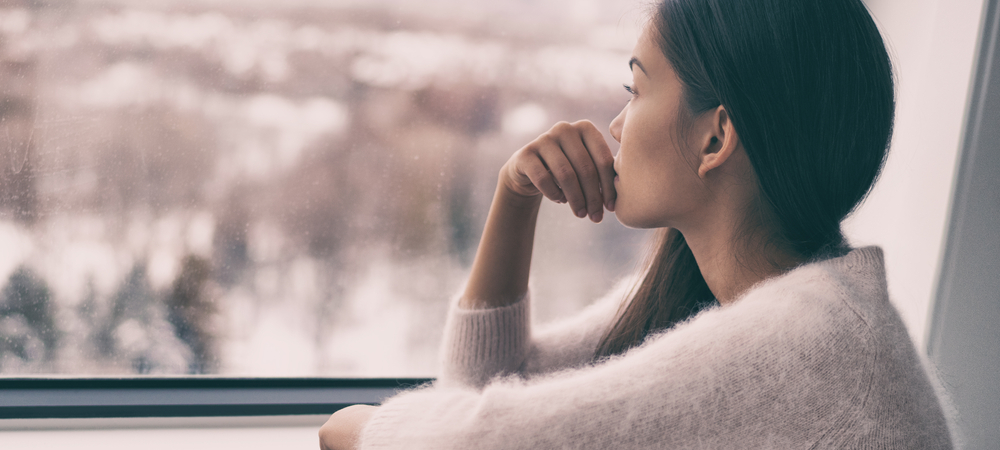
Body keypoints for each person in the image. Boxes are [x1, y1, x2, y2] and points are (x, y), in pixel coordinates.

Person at [319, 0, 954, 448]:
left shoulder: (807, 344)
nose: (618, 126)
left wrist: (358, 427)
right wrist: (514, 197)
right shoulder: (743, 288)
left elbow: (474, 440)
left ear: (716, 139)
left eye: (637, 90)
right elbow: (484, 386)